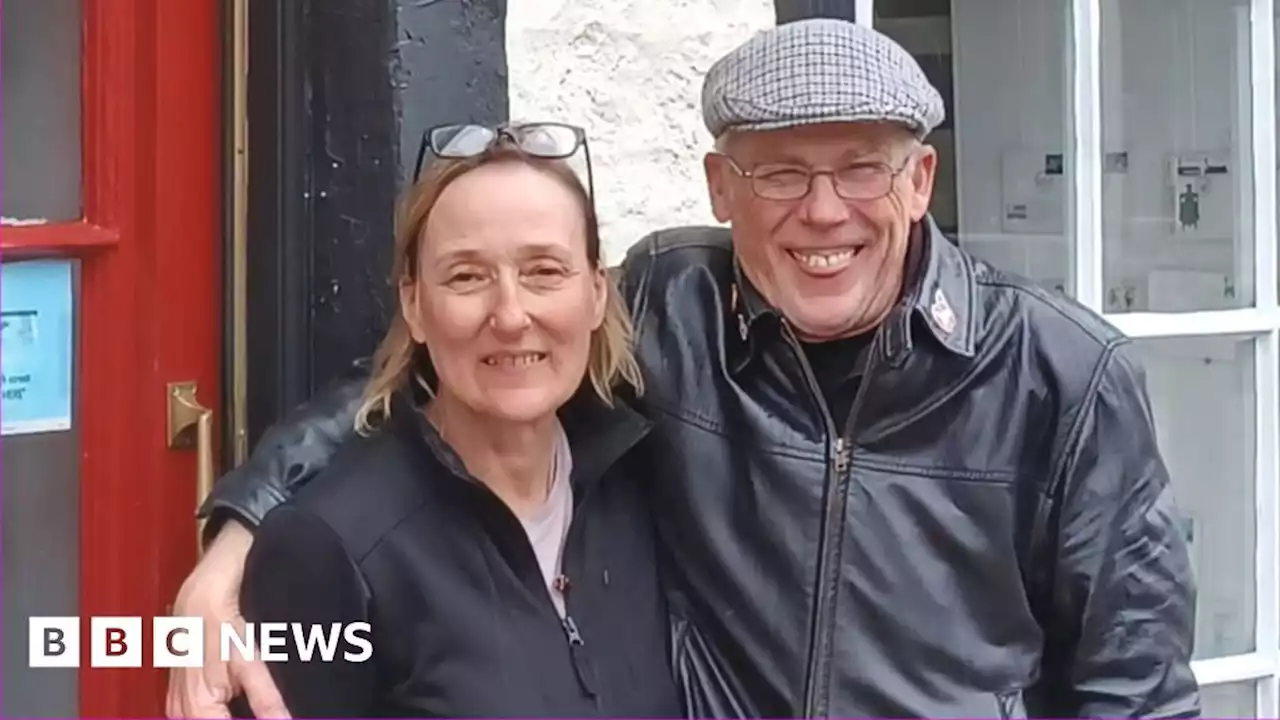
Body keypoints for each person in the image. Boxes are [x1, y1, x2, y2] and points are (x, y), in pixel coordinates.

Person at [168, 18, 1200, 719]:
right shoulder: (672, 304)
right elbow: (470, 366)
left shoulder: (1062, 377)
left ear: (919, 178)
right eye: (781, 172)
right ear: (719, 185)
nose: (823, 211)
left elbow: (1135, 689)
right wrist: (241, 536)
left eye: (859, 168)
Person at [209, 122, 682, 718]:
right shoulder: (333, 549)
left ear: (595, 291)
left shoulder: (636, 479)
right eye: (467, 276)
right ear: (414, 305)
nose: (510, 315)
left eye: (544, 271)